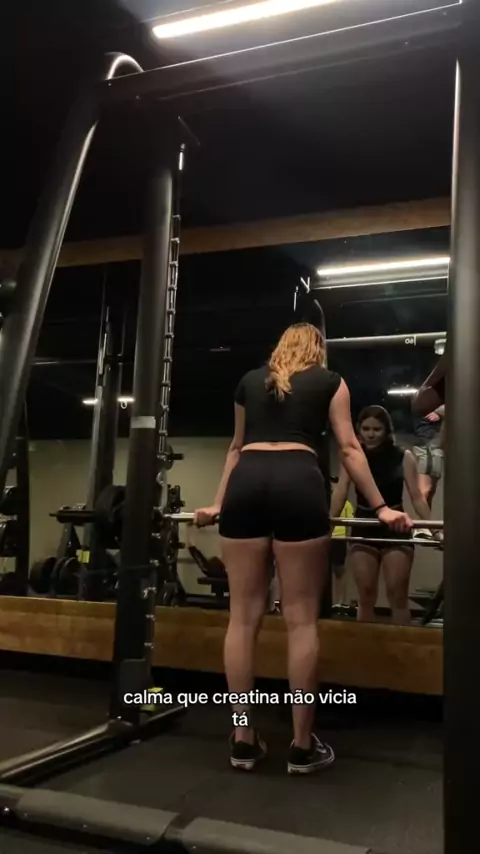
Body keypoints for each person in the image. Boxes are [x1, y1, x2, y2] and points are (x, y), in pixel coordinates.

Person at [194, 323, 412, 776]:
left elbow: (236, 449)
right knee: (300, 620)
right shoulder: (331, 381)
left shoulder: (249, 381)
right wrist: (381, 507)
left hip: (247, 482)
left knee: (242, 619)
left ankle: (243, 739)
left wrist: (217, 503)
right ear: (318, 349)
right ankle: (300, 745)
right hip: (299, 480)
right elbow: (349, 448)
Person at [331, 405, 432, 626]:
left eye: (376, 429)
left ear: (386, 430)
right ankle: (365, 644)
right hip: (363, 525)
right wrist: (329, 523)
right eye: (366, 429)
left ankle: (402, 645)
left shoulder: (403, 456)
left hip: (396, 528)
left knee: (397, 595)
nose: (371, 434)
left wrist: (434, 529)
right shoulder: (352, 457)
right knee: (366, 594)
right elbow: (340, 492)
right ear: (359, 429)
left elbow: (417, 497)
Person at [412, 405, 445, 508]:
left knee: (429, 491)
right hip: (429, 439)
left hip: (432, 439)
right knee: (425, 491)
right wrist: (441, 411)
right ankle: (424, 518)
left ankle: (425, 517)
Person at [330, 480, 354, 607]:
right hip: (327, 539)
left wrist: (348, 541)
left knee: (339, 571)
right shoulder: (327, 502)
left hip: (339, 539)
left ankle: (340, 602)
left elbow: (350, 524)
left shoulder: (347, 504)